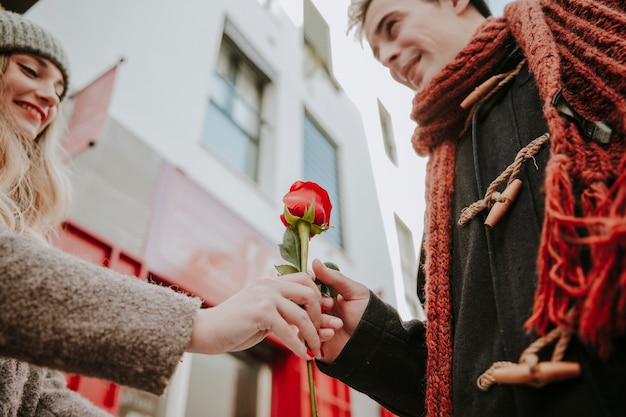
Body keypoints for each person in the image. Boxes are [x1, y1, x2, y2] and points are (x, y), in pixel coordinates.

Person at [0, 9, 339, 417]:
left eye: (58, 87)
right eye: (30, 71)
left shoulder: (22, 218)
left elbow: (39, 397)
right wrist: (200, 325)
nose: (51, 96)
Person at [311, 0, 626, 416]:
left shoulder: (587, 41)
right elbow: (462, 384)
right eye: (377, 52)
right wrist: (365, 338)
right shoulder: (441, 184)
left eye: (392, 25)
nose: (387, 57)